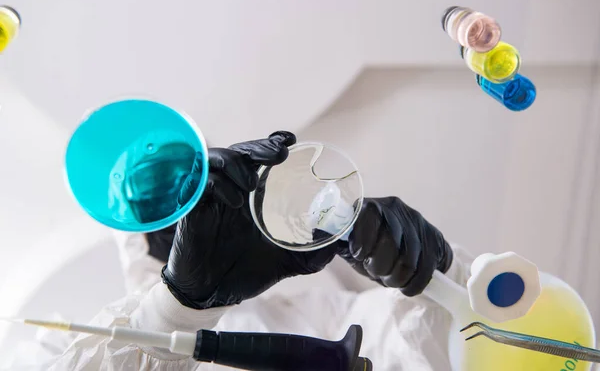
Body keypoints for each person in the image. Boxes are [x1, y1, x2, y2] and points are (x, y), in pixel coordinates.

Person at [41, 131, 473, 370]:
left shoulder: (301, 301)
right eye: (150, 194)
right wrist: (176, 310)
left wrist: (438, 281)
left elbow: (397, 343)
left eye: (183, 180)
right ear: (131, 227)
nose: (175, 201)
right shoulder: (90, 342)